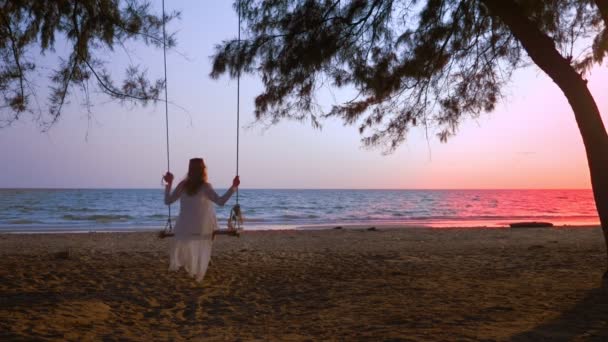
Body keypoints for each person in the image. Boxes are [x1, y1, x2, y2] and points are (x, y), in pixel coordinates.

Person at [163, 158, 240, 282]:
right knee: (211, 223)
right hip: (203, 228)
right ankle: (204, 259)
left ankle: (198, 261)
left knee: (197, 231)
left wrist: (169, 183)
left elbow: (168, 201)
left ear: (189, 170)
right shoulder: (205, 187)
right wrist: (234, 187)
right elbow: (221, 202)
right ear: (203, 170)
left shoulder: (183, 185)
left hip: (184, 228)